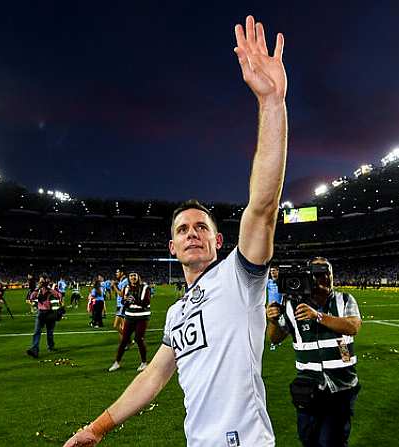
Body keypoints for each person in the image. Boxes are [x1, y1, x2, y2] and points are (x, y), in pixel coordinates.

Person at [64, 14, 286, 446]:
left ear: (218, 241)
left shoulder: (240, 276)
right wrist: (96, 429)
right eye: (182, 229)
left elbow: (262, 207)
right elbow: (152, 379)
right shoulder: (176, 313)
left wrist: (271, 103)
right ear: (172, 246)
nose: (191, 233)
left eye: (201, 226)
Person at [266, 258, 362, 447]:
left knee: (331, 442)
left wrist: (317, 316)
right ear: (309, 277)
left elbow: (353, 327)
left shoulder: (345, 299)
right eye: (317, 274)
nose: (323, 278)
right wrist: (273, 320)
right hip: (308, 387)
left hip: (340, 385)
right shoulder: (293, 306)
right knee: (308, 439)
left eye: (326, 273)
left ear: (333, 275)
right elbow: (275, 338)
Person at [108, 272, 151, 372]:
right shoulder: (126, 287)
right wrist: (126, 301)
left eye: (134, 275)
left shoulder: (145, 287)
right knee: (124, 340)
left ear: (138, 277)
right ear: (129, 278)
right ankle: (117, 362)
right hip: (130, 316)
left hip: (141, 317)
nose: (133, 277)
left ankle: (144, 362)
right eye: (131, 276)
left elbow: (146, 302)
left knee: (139, 339)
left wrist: (133, 300)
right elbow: (123, 301)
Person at [26, 280, 62, 358]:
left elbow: (59, 296)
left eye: (42, 282)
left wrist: (49, 289)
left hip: (50, 313)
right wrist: (37, 289)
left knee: (49, 332)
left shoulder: (51, 290)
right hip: (41, 313)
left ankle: (51, 346)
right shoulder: (38, 290)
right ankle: (35, 350)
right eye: (40, 282)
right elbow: (31, 297)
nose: (41, 283)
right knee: (37, 331)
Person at [266, 266, 283, 351]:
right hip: (271, 307)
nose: (272, 272)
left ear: (278, 272)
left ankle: (277, 340)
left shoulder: (281, 282)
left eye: (274, 271)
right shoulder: (268, 282)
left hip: (280, 306)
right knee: (273, 323)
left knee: (281, 324)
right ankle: (273, 343)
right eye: (271, 271)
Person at [112, 268, 128, 335]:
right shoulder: (121, 281)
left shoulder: (125, 281)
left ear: (122, 273)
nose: (116, 273)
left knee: (116, 326)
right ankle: (125, 343)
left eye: (117, 272)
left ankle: (127, 340)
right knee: (122, 326)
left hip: (122, 305)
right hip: (119, 305)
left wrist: (114, 286)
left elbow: (121, 294)